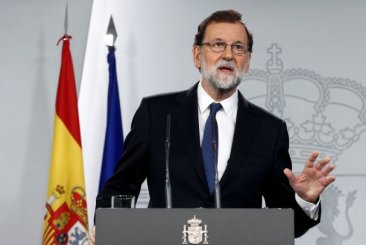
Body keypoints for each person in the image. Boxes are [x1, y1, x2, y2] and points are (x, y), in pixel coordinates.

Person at [90, 9, 335, 242]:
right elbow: (121, 186)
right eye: (218, 44)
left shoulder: (269, 130)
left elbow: (285, 224)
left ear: (247, 62)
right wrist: (107, 228)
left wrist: (304, 200)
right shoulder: (156, 114)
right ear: (197, 55)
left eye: (238, 48)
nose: (228, 55)